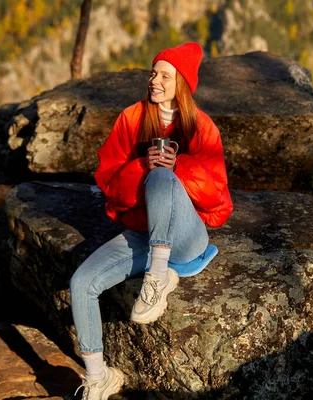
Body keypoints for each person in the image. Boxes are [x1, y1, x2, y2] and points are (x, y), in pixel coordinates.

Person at [69, 42, 233, 400]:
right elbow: (110, 187)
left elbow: (220, 204)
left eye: (164, 75)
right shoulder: (131, 118)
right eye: (153, 72)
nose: (153, 80)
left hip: (188, 239)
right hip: (144, 233)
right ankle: (99, 378)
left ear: (182, 84)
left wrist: (179, 169)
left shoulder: (202, 128)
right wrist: (142, 165)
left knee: (162, 178)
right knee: (81, 282)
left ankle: (157, 278)